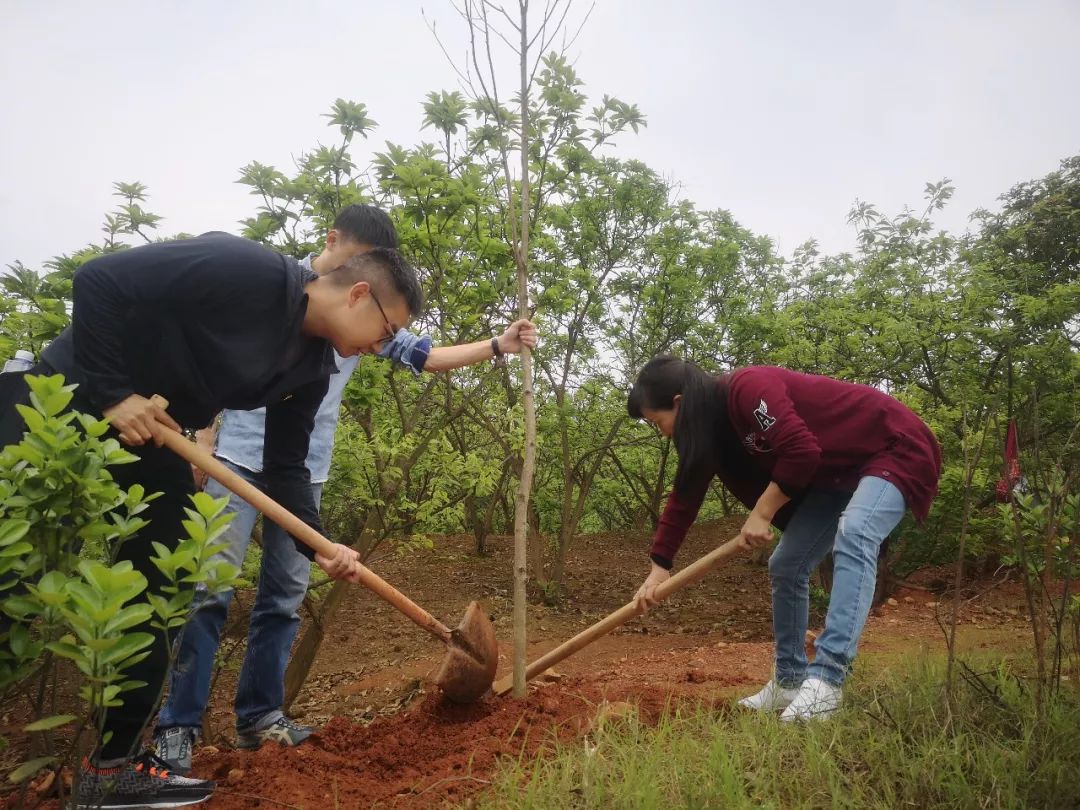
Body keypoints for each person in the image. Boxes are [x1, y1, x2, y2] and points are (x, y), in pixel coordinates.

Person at [0, 229, 424, 808]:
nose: (380, 347)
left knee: (168, 582)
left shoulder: (311, 368)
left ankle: (110, 768)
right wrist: (113, 393)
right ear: (356, 295)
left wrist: (318, 544)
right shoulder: (243, 267)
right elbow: (98, 279)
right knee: (11, 572)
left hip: (154, 438)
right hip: (58, 401)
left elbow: (286, 468)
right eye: (388, 330)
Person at [152, 205, 538, 772]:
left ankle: (260, 719)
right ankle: (177, 729)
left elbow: (423, 356)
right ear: (332, 244)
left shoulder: (369, 313)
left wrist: (497, 346)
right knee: (209, 591)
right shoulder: (276, 291)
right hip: (236, 460)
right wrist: (205, 443)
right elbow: (219, 369)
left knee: (283, 600)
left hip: (302, 471)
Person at [627, 356, 940, 721]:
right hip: (835, 475)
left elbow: (800, 450)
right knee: (787, 564)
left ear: (678, 402)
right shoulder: (710, 433)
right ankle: (790, 681)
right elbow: (685, 496)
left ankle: (827, 680)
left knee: (855, 532)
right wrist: (659, 567)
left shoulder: (746, 389)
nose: (663, 432)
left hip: (894, 446)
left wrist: (763, 512)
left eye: (658, 421)